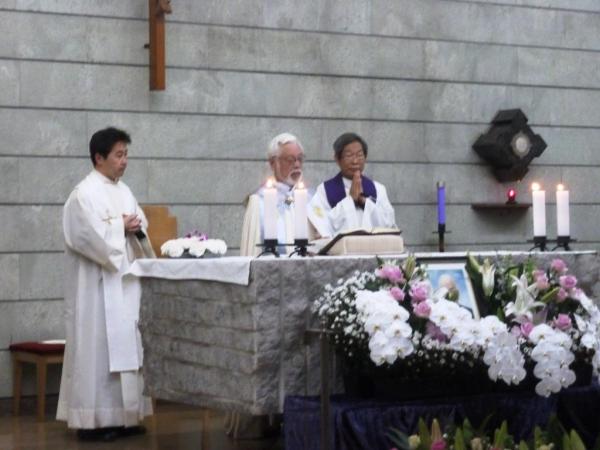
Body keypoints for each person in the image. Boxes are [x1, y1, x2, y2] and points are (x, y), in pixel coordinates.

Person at [56, 127, 153, 442]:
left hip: (124, 284)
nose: (124, 161)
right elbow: (84, 236)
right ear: (99, 157)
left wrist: (135, 227)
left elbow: (139, 224)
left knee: (129, 349)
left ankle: (127, 417)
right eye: (119, 155)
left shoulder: (124, 191)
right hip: (97, 289)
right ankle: (94, 421)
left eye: (126, 154)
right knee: (98, 352)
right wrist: (118, 227)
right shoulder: (82, 194)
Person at [308, 132, 396, 237]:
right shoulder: (324, 190)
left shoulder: (378, 189)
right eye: (349, 155)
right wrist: (350, 200)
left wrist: (364, 202)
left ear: (365, 157)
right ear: (337, 159)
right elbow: (323, 225)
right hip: (341, 251)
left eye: (359, 155)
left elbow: (389, 223)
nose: (355, 161)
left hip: (373, 250)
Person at [240, 132, 313, 256]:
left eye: (300, 159)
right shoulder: (259, 202)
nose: (297, 165)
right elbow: (253, 247)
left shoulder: (311, 198)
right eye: (290, 160)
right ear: (273, 163)